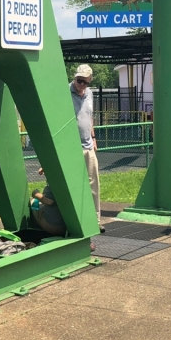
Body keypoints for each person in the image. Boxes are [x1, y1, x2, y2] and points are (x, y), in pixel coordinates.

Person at [70, 64, 103, 232]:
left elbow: (89, 118)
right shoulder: (65, 92)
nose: (81, 85)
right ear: (74, 78)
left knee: (93, 185)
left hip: (88, 145)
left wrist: (94, 136)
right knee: (72, 184)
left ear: (90, 81)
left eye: (85, 82)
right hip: (72, 147)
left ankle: (95, 221)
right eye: (78, 80)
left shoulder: (89, 94)